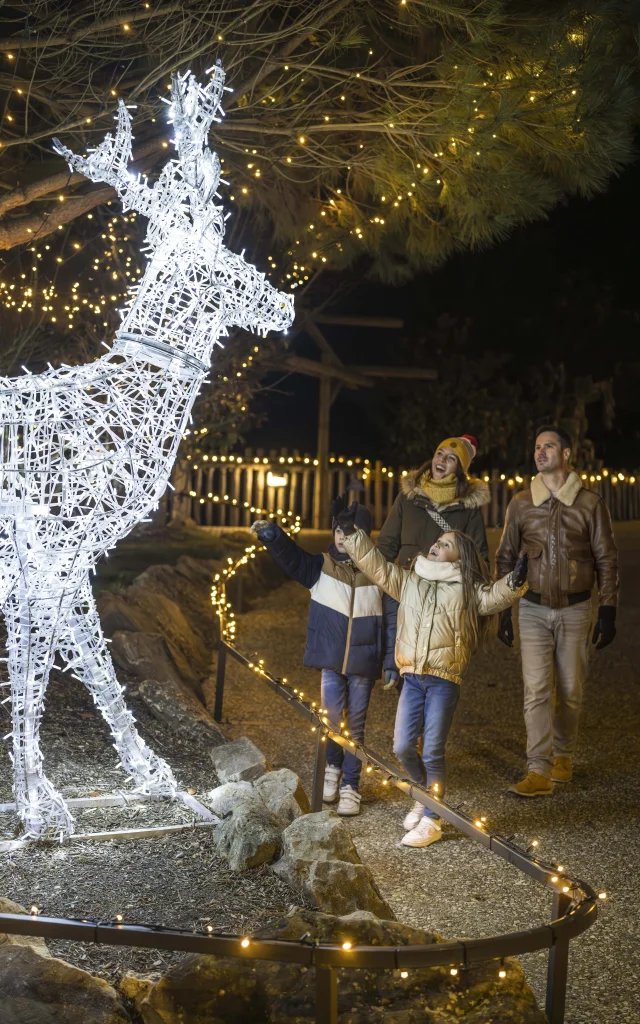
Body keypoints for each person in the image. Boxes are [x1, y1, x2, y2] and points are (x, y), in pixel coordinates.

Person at [335, 504, 528, 848]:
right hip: (412, 678)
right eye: (438, 540)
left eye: (447, 543)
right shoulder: (409, 580)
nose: (437, 545)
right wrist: (350, 532)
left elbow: (494, 597)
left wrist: (515, 582)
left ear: (460, 558)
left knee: (432, 750)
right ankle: (425, 798)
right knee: (403, 746)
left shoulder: (467, 590)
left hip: (443, 681)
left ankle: (433, 820)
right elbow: (376, 566)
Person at [250, 499, 395, 817]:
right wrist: (275, 536)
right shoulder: (322, 566)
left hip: (363, 662)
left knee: (355, 728)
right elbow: (292, 559)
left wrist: (389, 661)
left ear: (365, 536)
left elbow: (392, 616)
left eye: (351, 531)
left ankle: (351, 785)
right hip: (331, 662)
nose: (342, 536)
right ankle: (332, 769)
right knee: (331, 722)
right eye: (338, 529)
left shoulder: (379, 572)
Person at [496, 425, 619, 797]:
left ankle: (563, 755)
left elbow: (607, 559)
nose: (540, 452)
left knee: (569, 689)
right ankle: (538, 769)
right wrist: (502, 607)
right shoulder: (520, 503)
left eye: (549, 446)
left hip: (576, 609)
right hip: (532, 609)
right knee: (535, 689)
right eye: (536, 447)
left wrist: (608, 608)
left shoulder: (590, 503)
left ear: (567, 454)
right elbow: (504, 555)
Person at [376, 435, 490, 690]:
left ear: (459, 470)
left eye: (452, 459)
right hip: (404, 590)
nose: (442, 461)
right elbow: (386, 545)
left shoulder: (467, 509)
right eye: (440, 453)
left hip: (444, 600)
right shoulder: (408, 498)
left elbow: (479, 558)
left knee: (434, 669)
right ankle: (411, 726)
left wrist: (475, 602)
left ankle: (426, 726)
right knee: (401, 665)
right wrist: (372, 579)